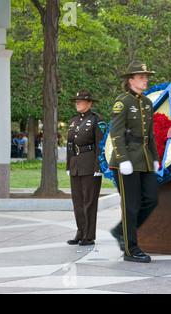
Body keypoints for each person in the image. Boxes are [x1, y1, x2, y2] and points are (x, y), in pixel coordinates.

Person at [109, 60, 160, 263]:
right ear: (130, 80)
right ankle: (131, 250)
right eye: (141, 77)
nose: (145, 79)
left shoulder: (147, 103)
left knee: (151, 199)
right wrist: (122, 159)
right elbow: (116, 133)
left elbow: (150, 135)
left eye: (146, 76)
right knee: (131, 206)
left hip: (144, 160)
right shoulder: (123, 102)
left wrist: (155, 158)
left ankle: (120, 231)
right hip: (126, 161)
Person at [66, 88, 106, 246]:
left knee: (89, 201)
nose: (77, 103)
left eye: (81, 101)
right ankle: (80, 232)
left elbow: (100, 146)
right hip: (76, 165)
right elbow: (70, 144)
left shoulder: (97, 120)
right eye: (76, 101)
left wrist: (99, 167)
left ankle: (89, 236)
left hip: (90, 166)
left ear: (89, 103)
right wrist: (69, 164)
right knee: (78, 201)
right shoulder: (73, 120)